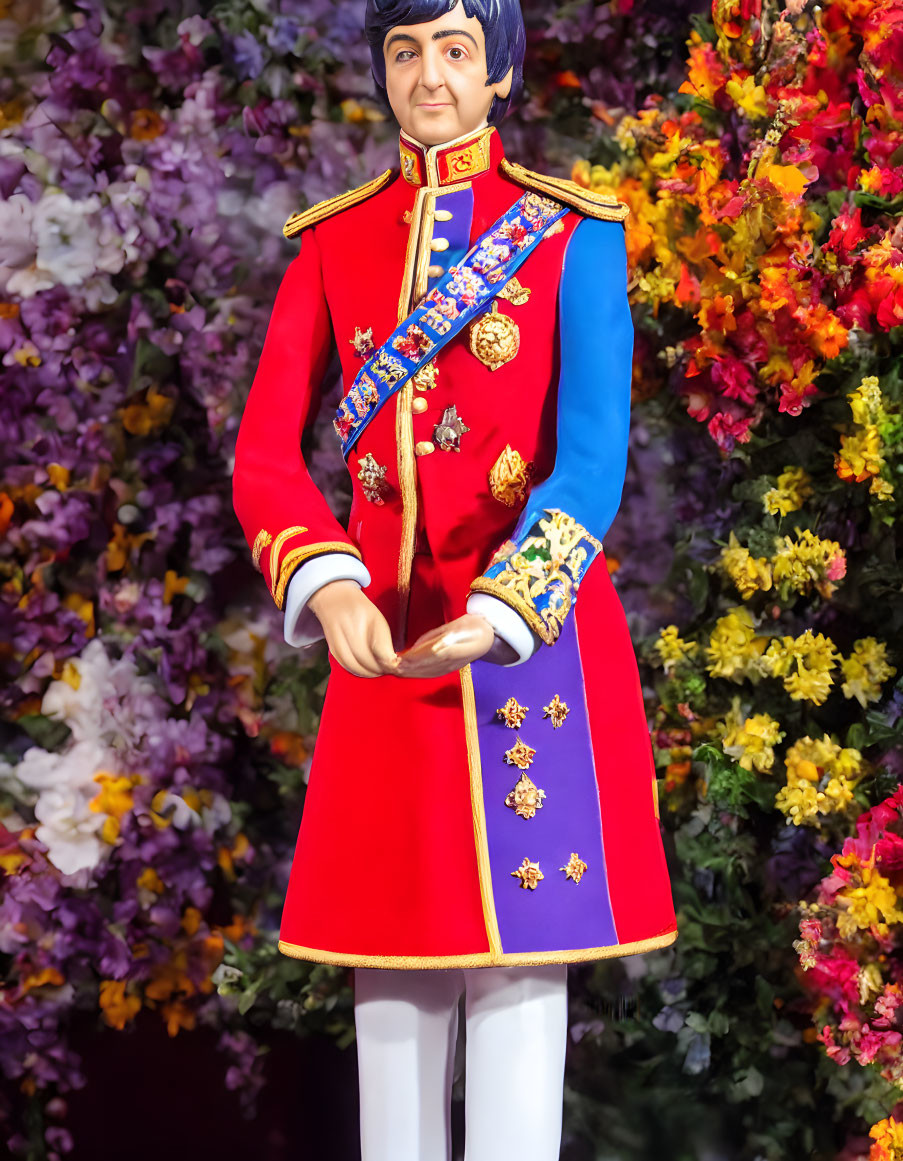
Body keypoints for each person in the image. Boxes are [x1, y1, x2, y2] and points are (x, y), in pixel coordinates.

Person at [232, 1, 678, 1157]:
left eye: (455, 50)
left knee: (523, 987)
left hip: (533, 646)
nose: (429, 75)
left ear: (502, 75)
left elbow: (586, 465)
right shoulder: (334, 243)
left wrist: (504, 608)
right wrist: (327, 581)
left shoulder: (571, 235)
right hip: (383, 647)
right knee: (391, 987)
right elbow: (268, 457)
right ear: (383, 72)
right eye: (405, 51)